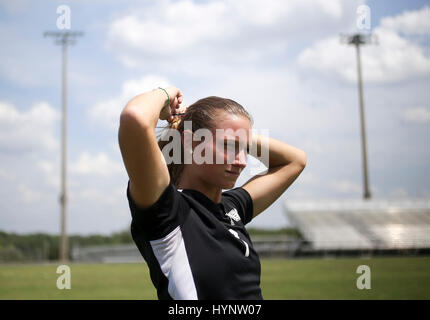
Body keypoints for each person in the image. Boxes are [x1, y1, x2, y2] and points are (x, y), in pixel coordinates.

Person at [118, 86, 306, 300]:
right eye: (228, 146)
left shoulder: (231, 208)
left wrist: (239, 135)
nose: (242, 162)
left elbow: (295, 160)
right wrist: (167, 94)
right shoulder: (168, 212)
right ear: (190, 142)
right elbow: (135, 118)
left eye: (244, 149)